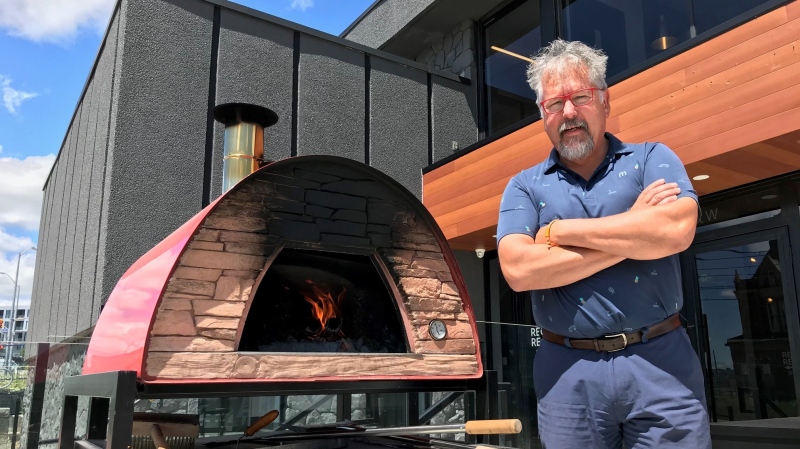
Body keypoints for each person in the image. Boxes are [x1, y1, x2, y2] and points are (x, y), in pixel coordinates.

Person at [496, 39, 711, 448]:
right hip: (567, 373)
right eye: (555, 104)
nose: (569, 112)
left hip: (661, 362)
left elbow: (676, 231)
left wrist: (560, 232)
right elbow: (519, 270)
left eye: (580, 96)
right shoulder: (523, 186)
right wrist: (635, 229)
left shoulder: (651, 158)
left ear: (605, 101)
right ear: (543, 115)